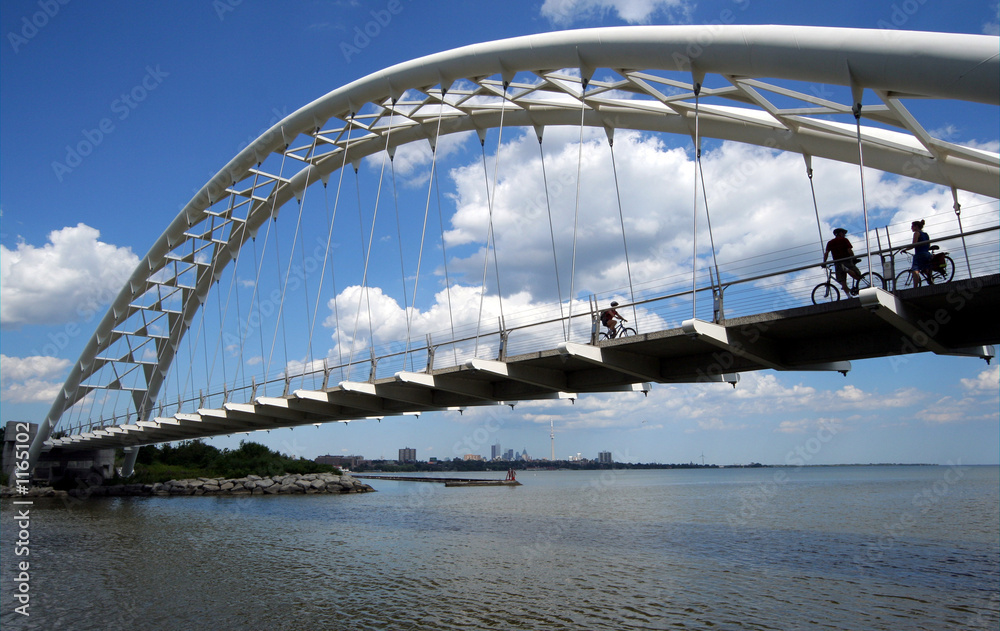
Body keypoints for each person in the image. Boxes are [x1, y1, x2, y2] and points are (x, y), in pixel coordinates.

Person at [823, 228, 862, 295]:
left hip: (838, 263)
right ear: (839, 233)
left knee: (842, 281)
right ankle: (847, 270)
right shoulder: (844, 240)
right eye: (843, 233)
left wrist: (824, 262)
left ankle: (849, 297)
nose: (844, 235)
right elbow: (849, 250)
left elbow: (826, 253)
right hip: (847, 260)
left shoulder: (830, 243)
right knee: (858, 276)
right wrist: (854, 258)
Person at [907, 219, 932, 285]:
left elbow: (914, 244)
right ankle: (931, 282)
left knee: (915, 270)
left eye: (912, 226)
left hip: (919, 254)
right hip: (927, 254)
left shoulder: (916, 233)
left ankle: (915, 288)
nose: (911, 228)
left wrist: (906, 249)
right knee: (926, 269)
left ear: (916, 226)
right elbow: (929, 246)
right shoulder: (926, 234)